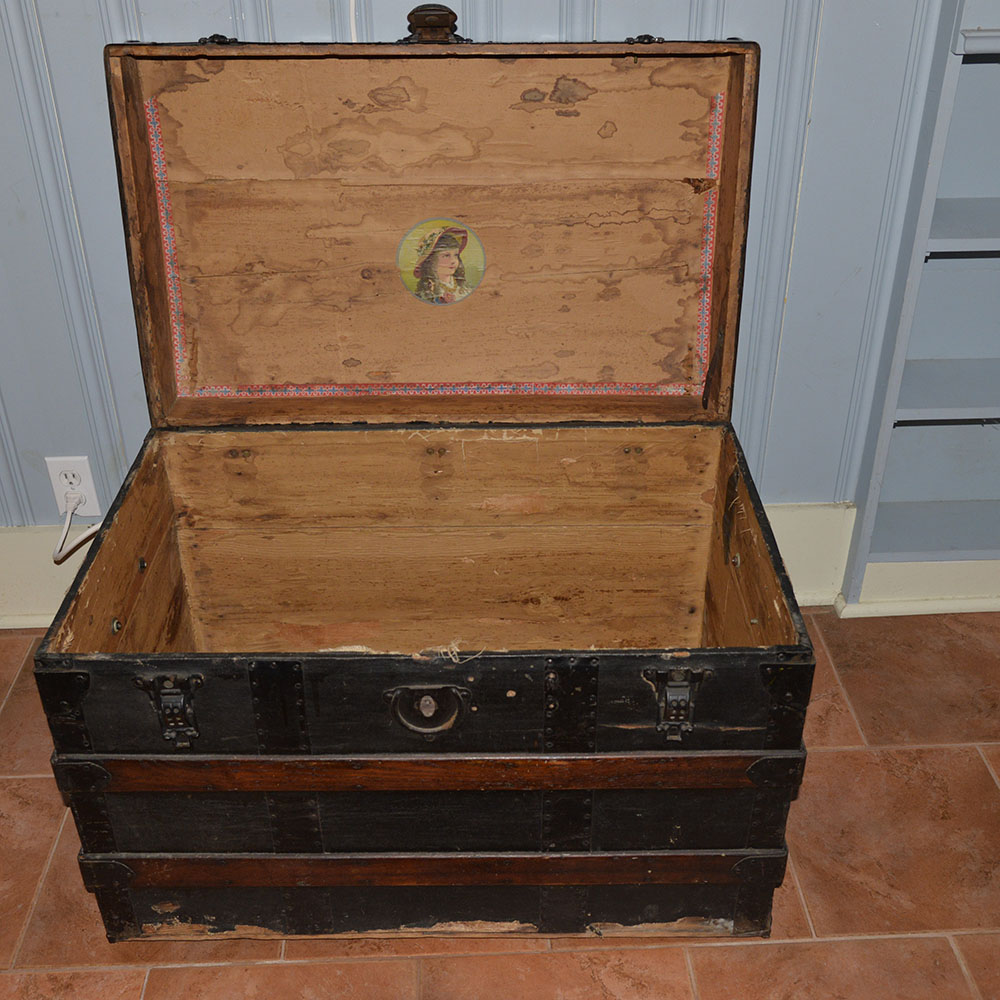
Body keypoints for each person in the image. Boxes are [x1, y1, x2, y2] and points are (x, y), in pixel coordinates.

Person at [413, 226, 472, 304]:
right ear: (431, 261)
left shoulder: (464, 288)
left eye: (456, 255)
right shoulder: (427, 291)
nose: (453, 261)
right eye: (446, 255)